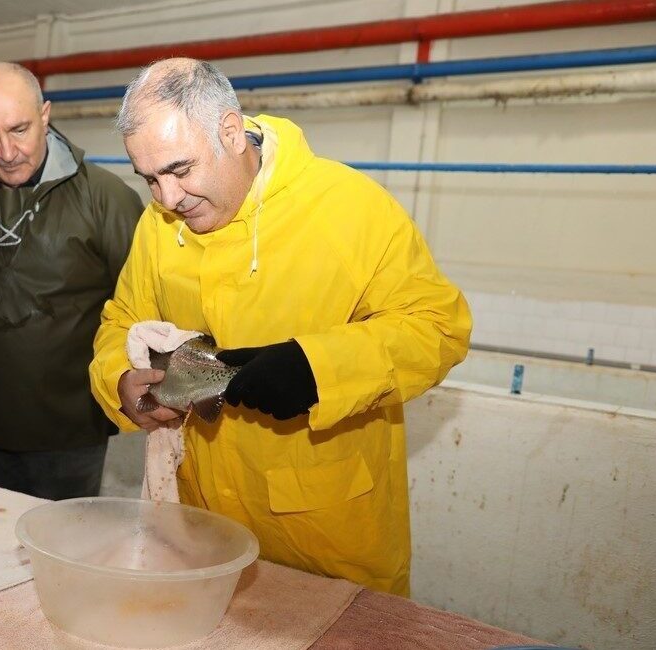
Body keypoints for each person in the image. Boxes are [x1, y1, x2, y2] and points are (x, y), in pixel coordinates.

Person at [89, 58, 471, 595]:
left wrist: (319, 369)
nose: (167, 198)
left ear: (230, 130)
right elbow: (121, 321)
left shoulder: (348, 208)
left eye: (179, 170)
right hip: (203, 533)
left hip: (325, 537)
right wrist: (120, 384)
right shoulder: (159, 227)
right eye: (149, 178)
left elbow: (438, 326)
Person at [0, 62, 143, 500]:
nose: (6, 151)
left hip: (68, 429)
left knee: (60, 552)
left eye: (18, 129)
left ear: (45, 115)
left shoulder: (106, 199)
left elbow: (144, 308)